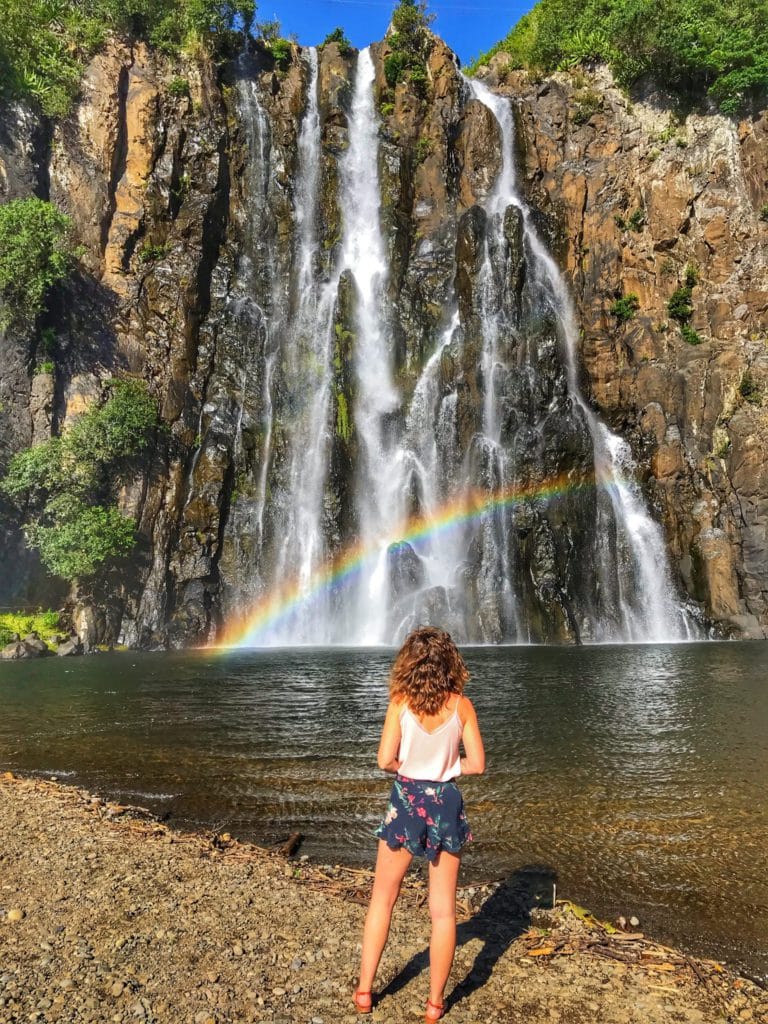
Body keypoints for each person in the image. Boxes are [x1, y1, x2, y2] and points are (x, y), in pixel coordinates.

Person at [353, 626, 486, 1021]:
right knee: (443, 911)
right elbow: (477, 764)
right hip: (445, 801)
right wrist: (446, 768)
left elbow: (383, 760)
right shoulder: (462, 706)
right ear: (450, 663)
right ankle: (434, 1005)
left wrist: (409, 769)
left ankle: (364, 993)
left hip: (406, 798)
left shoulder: (400, 702)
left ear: (409, 663)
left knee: (383, 897)